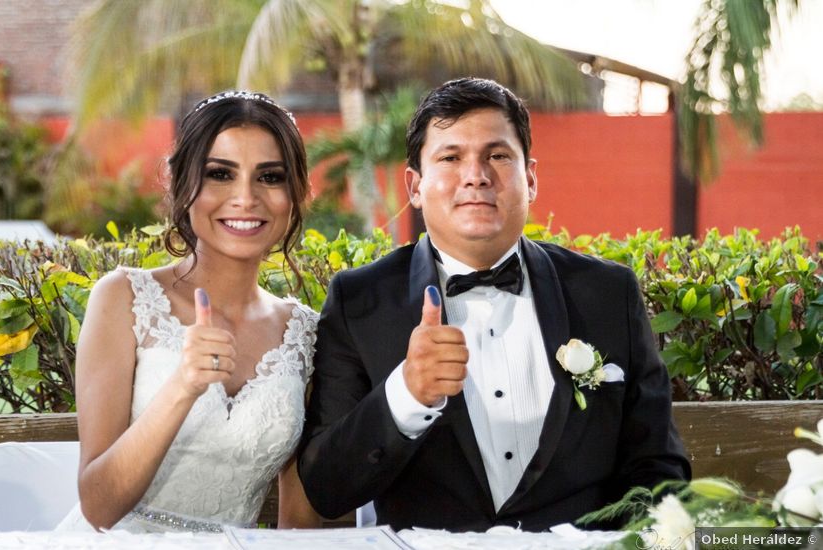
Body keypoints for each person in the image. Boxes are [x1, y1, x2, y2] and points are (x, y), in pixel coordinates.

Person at [297, 77, 690, 532]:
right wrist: (405, 393)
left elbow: (659, 469)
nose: (476, 175)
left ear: (532, 178)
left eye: (498, 155)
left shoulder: (607, 293)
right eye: (450, 157)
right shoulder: (360, 301)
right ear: (415, 186)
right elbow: (326, 489)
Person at [57, 91, 320, 532]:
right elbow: (98, 507)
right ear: (183, 184)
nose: (245, 198)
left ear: (294, 192)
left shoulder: (304, 332)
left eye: (270, 177)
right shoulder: (123, 298)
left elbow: (300, 520)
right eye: (220, 174)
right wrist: (184, 385)